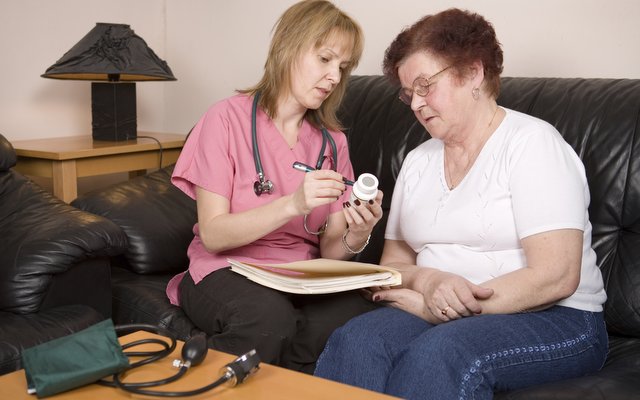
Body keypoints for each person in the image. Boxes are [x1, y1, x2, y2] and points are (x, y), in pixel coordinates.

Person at [314, 8, 608, 399]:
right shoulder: (418, 161)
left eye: (425, 86)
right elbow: (394, 265)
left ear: (473, 73)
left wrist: (440, 310)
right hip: (445, 310)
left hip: (558, 318)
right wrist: (430, 282)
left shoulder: (533, 145)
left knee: (441, 353)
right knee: (357, 341)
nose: (416, 104)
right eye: (408, 93)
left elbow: (555, 276)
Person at [166, 0, 383, 374]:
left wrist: (357, 235)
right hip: (225, 268)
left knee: (355, 317)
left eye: (342, 67)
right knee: (269, 320)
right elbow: (215, 235)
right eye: (326, 59)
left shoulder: (332, 143)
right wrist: (292, 204)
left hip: (298, 275)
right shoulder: (226, 119)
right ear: (288, 48)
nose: (334, 77)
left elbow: (330, 250)